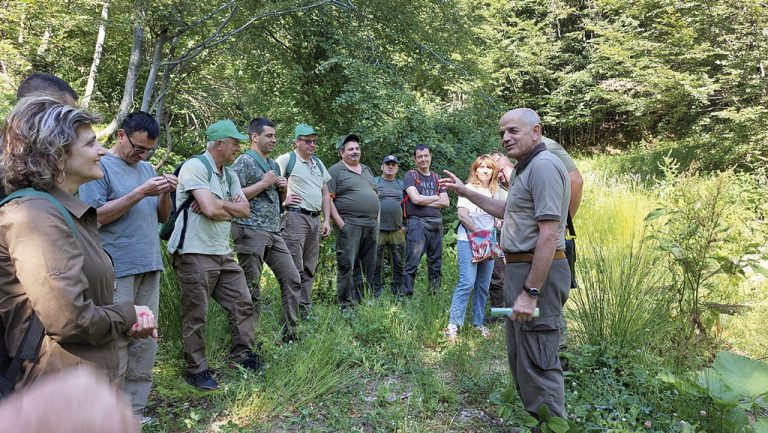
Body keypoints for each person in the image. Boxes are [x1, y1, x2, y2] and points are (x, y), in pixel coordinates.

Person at [0, 96, 157, 391]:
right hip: (58, 389)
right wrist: (129, 314)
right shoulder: (35, 215)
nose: (101, 151)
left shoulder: (62, 211)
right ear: (56, 154)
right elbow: (69, 320)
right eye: (90, 143)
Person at [440, 108, 571, 425]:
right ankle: (536, 423)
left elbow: (549, 235)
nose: (505, 138)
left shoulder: (543, 167)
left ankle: (553, 425)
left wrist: (531, 292)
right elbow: (505, 209)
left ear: (536, 131)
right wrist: (465, 191)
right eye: (502, 133)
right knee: (522, 355)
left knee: (539, 358)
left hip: (536, 272)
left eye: (513, 130)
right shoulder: (526, 169)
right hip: (519, 270)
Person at [78, 111, 175, 420]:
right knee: (116, 339)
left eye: (149, 150)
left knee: (146, 338)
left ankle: (135, 410)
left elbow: (162, 217)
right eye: (139, 147)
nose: (143, 155)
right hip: (116, 267)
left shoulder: (147, 168)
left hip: (149, 263)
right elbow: (95, 217)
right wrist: (140, 192)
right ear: (122, 135)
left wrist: (165, 192)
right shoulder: (100, 167)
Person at [167, 119, 260, 390]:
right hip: (194, 252)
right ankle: (196, 370)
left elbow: (245, 210)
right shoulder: (195, 166)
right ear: (219, 144)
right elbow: (209, 210)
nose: (238, 148)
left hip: (222, 252)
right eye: (234, 143)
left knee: (242, 303)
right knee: (196, 313)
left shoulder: (229, 175)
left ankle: (241, 356)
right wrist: (224, 207)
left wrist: (218, 203)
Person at [230, 117, 301, 342]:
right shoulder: (244, 161)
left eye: (274, 135)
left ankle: (290, 334)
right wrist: (263, 183)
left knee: (292, 278)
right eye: (269, 135)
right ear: (254, 137)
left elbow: (278, 203)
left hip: (273, 231)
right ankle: (250, 340)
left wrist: (283, 189)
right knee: (251, 288)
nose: (274, 140)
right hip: (250, 230)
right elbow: (232, 196)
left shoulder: (273, 165)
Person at [275, 124, 332, 318]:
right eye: (308, 141)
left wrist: (326, 220)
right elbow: (271, 183)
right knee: (294, 268)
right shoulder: (286, 160)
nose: (312, 145)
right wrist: (283, 202)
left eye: (314, 141)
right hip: (295, 218)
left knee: (309, 267)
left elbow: (325, 194)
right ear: (297, 142)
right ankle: (290, 314)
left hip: (315, 220)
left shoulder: (318, 163)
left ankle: (304, 311)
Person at [444, 155, 502, 342]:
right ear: (475, 170)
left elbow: (496, 217)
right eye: (481, 167)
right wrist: (481, 235)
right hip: (468, 240)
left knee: (483, 285)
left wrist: (499, 223)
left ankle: (477, 324)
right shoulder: (468, 190)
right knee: (467, 283)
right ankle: (453, 325)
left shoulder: (495, 192)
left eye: (489, 167)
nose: (485, 170)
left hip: (488, 241)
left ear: (494, 171)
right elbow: (463, 216)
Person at [328, 134, 380, 309]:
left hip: (371, 225)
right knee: (347, 265)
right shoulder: (335, 171)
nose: (355, 151)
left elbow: (376, 195)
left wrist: (377, 220)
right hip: (350, 224)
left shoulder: (367, 170)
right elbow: (328, 199)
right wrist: (340, 224)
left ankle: (362, 300)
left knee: (368, 265)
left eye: (357, 148)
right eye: (350, 149)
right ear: (341, 153)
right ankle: (346, 305)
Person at [401, 144, 449, 296]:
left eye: (426, 156)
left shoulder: (437, 178)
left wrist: (424, 200)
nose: (423, 159)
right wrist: (435, 197)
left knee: (436, 262)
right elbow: (415, 199)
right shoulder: (411, 176)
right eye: (419, 157)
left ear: (430, 156)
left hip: (436, 223)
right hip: (417, 223)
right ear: (415, 159)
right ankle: (405, 297)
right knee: (412, 262)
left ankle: (434, 295)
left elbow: (446, 202)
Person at [373, 155, 405, 296]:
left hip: (398, 230)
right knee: (375, 263)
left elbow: (408, 206)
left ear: (397, 168)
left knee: (399, 263)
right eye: (388, 164)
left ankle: (397, 293)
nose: (390, 166)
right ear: (382, 167)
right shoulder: (374, 182)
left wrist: (406, 225)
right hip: (378, 230)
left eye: (393, 164)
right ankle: (375, 293)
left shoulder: (402, 185)